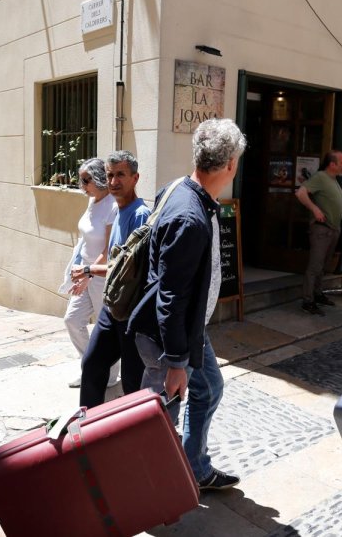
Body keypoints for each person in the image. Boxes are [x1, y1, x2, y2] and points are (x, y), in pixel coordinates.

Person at [128, 119, 246, 493]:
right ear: (229, 165)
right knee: (161, 414)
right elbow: (170, 297)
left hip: (186, 330)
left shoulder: (182, 190)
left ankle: (193, 469)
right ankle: (151, 488)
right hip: (168, 337)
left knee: (208, 388)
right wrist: (177, 363)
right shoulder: (190, 217)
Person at [72, 151, 148, 408]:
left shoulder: (140, 215)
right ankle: (88, 427)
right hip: (111, 306)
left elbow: (131, 268)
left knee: (132, 381)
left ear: (135, 178)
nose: (114, 181)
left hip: (129, 311)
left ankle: (136, 433)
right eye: (110, 175)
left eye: (121, 175)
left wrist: (90, 270)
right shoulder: (117, 210)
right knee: (92, 363)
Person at [61, 158, 117, 389]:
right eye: (81, 180)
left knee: (106, 330)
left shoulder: (113, 206)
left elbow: (109, 250)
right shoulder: (93, 201)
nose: (82, 185)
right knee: (72, 320)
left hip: (99, 277)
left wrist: (88, 274)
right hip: (83, 270)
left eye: (86, 180)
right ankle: (91, 367)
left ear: (99, 179)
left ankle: (110, 376)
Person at [295, 150, 342, 315]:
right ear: (332, 164)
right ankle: (308, 301)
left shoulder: (333, 180)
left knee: (323, 266)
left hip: (332, 229)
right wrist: (314, 208)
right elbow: (300, 193)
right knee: (315, 266)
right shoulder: (320, 177)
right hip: (321, 230)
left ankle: (317, 294)